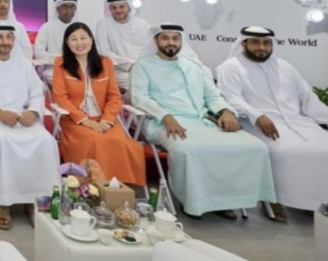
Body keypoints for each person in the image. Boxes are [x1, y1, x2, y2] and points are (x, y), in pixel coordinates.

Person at [131, 23, 276, 219]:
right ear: (156, 41)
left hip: (203, 121)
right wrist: (165, 116)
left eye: (175, 38)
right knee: (188, 150)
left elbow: (212, 95)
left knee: (255, 146)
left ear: (181, 41)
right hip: (164, 122)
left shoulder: (194, 67)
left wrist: (225, 111)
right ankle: (194, 202)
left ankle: (224, 200)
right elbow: (140, 97)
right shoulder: (144, 65)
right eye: (165, 38)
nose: (171, 42)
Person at [217, 26, 328, 220]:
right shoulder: (231, 67)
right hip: (255, 123)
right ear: (243, 43)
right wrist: (257, 116)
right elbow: (231, 98)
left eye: (266, 43)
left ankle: (315, 201)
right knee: (283, 151)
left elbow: (308, 98)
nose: (262, 47)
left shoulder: (285, 67)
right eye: (255, 42)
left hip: (298, 122)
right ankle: (275, 199)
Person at [0, 25, 58, 230]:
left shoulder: (24, 64)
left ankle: (35, 202)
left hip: (23, 118)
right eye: (0, 37)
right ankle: (4, 202)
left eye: (9, 37)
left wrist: (32, 111)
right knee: (4, 141)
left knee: (45, 140)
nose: (5, 42)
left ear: (14, 40)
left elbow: (37, 92)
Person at [51, 22, 145, 186]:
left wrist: (106, 121)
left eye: (83, 38)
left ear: (91, 40)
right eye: (74, 39)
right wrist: (85, 121)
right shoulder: (60, 63)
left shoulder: (105, 62)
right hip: (75, 121)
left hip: (104, 120)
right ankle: (95, 186)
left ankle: (118, 187)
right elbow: (61, 98)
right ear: (67, 43)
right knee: (94, 140)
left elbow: (114, 96)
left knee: (119, 142)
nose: (79, 43)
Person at [94, 0, 150, 95]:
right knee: (136, 85)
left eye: (121, 7)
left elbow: (149, 49)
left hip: (142, 68)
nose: (118, 10)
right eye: (114, 8)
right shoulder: (103, 25)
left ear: (129, 7)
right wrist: (129, 65)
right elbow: (104, 52)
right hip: (118, 70)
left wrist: (141, 66)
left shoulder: (143, 25)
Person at [35, 0, 78, 86]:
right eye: (65, 7)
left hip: (77, 67)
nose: (69, 10)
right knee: (65, 81)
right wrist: (59, 60)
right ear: (58, 9)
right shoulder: (47, 27)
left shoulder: (79, 28)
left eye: (72, 7)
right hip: (53, 68)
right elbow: (38, 52)